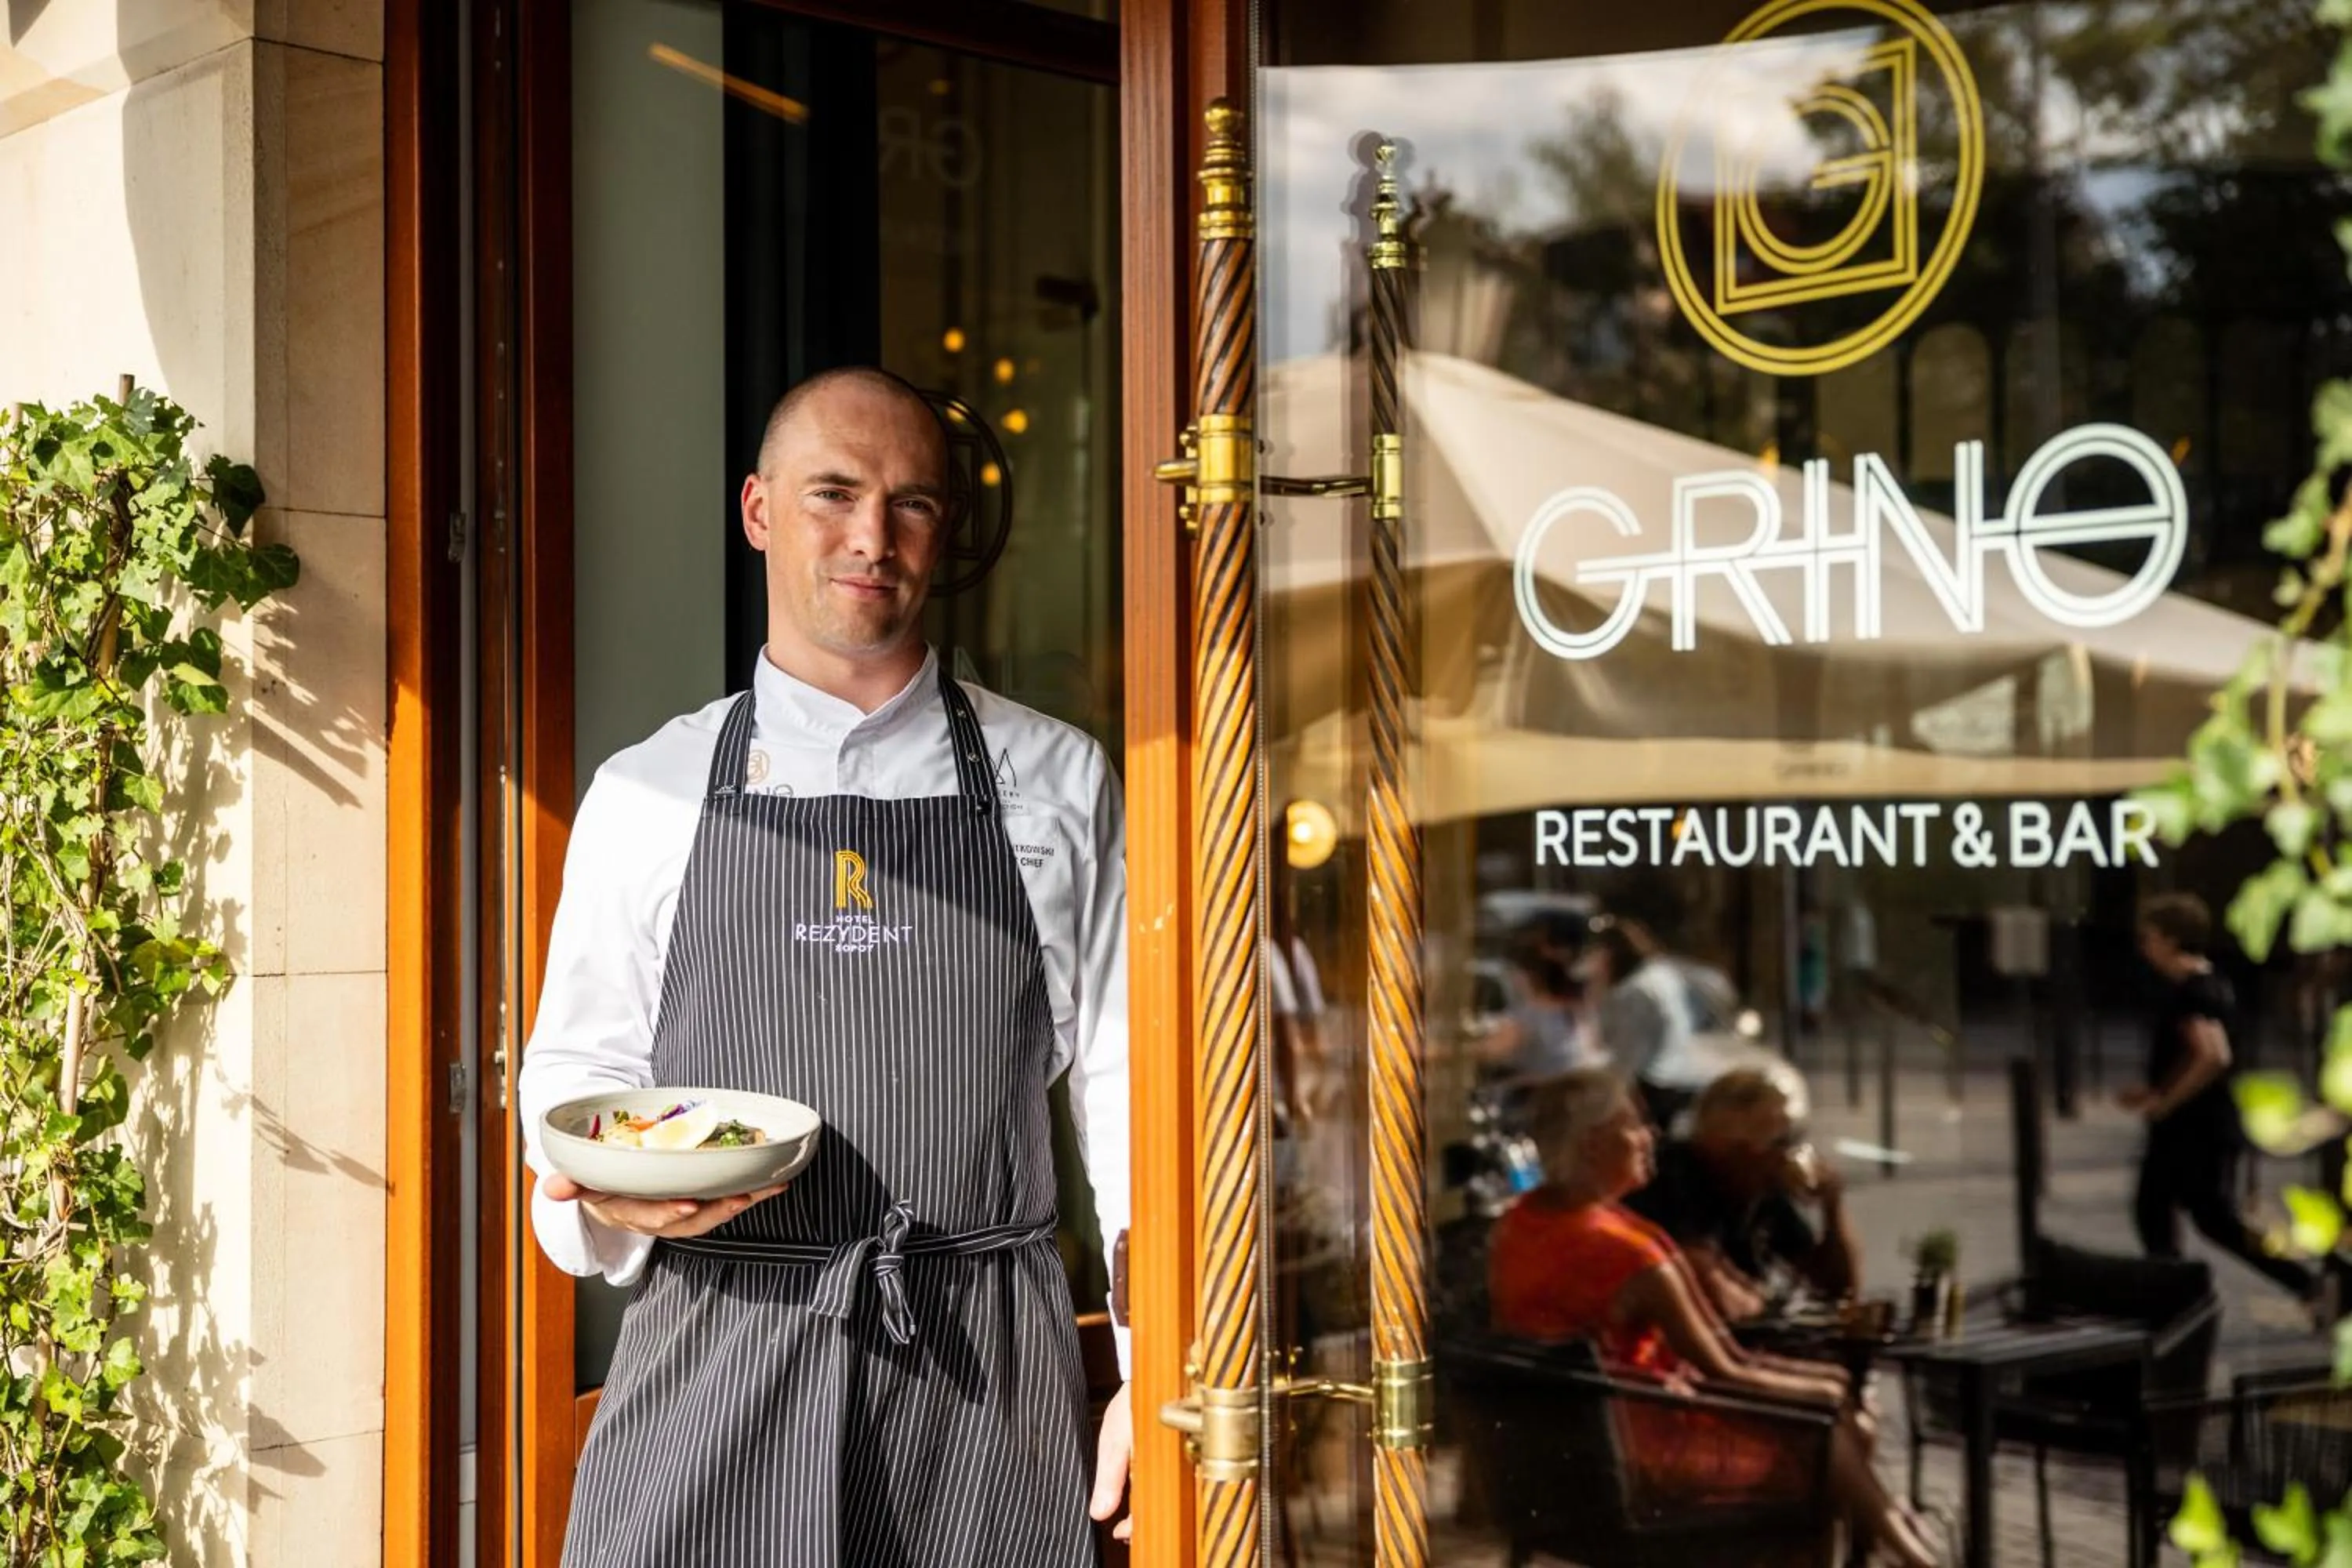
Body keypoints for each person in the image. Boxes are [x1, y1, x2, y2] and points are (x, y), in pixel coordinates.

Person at [517, 367, 1133, 1565]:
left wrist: (1164, 1366)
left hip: (984, 1376)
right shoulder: (649, 793)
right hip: (718, 1349)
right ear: (756, 510)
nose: (872, 538)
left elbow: (1127, 1101)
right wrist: (616, 1201)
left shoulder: (1058, 781)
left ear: (943, 532)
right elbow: (574, 1075)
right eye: (833, 494)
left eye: (910, 504)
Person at [1489, 1069, 1946, 1568]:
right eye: (1635, 1124)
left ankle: (1903, 1546)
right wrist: (1826, 1389)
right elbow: (1725, 1367)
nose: (1652, 1137)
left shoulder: (1518, 1226)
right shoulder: (1630, 1251)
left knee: (1827, 1421)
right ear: (1595, 1144)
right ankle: (1908, 1552)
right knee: (1820, 1441)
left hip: (1554, 1464)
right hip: (1640, 1461)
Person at [2122, 891, 2330, 1316]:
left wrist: (2165, 1100)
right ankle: (2176, 1298)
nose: (2144, 948)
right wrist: (2157, 1090)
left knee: (2196, 1217)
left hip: (2194, 1131)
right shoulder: (2206, 984)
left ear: (2170, 939)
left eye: (2149, 938)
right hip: (2195, 1128)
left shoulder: (2195, 991)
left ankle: (2181, 1302)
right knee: (2175, 1213)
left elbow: (2213, 1055)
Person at [1627, 1068, 1861, 1323]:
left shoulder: (1762, 1184)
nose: (1789, 1154)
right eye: (1780, 1141)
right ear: (1730, 1144)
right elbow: (1709, 1281)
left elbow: (1837, 1290)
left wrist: (1832, 1208)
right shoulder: (1672, 1179)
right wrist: (1766, 1304)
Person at [1475, 949, 1592, 1083]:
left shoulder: (1532, 1017)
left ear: (1530, 977)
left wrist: (1447, 1051)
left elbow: (1487, 1052)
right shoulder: (1575, 1017)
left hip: (1528, 1097)